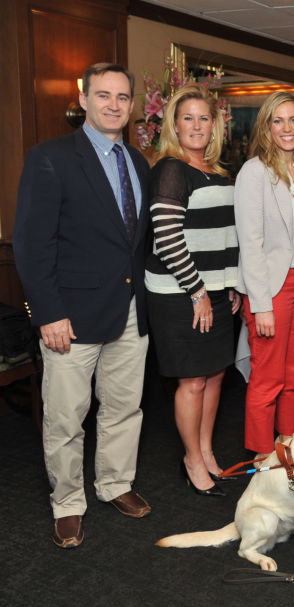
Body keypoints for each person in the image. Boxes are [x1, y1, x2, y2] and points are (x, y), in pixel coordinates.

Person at [14, 63, 152, 548]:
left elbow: (137, 242)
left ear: (132, 105)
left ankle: (115, 483)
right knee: (66, 416)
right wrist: (48, 313)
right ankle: (68, 502)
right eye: (104, 95)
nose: (114, 104)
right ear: (85, 98)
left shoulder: (136, 161)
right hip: (69, 316)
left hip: (131, 308)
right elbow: (33, 245)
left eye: (122, 97)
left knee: (123, 407)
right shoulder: (50, 158)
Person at [145, 83, 240, 497]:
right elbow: (167, 240)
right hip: (179, 294)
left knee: (216, 375)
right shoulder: (170, 168)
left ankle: (205, 450)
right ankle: (191, 459)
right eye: (188, 118)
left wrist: (231, 283)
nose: (197, 125)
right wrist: (199, 292)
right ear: (174, 125)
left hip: (217, 291)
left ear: (214, 126)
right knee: (193, 382)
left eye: (204, 118)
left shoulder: (219, 172)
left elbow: (228, 235)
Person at [234, 92, 294, 459]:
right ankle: (259, 457)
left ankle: (286, 447)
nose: (287, 128)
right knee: (268, 377)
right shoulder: (253, 172)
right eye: (278, 121)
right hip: (272, 287)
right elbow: (250, 242)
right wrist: (262, 304)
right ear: (266, 127)